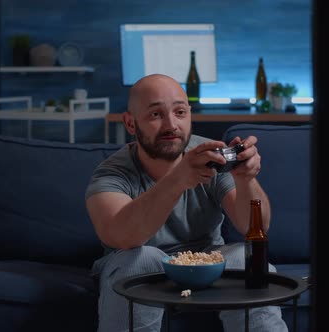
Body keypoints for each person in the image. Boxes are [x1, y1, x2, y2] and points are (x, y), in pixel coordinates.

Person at [85, 74, 287, 332]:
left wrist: (246, 179)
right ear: (131, 123)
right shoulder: (112, 173)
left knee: (245, 257)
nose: (171, 125)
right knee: (141, 257)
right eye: (155, 115)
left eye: (180, 112)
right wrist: (178, 178)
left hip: (207, 266)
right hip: (141, 270)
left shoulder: (209, 156)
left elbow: (255, 228)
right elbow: (122, 238)